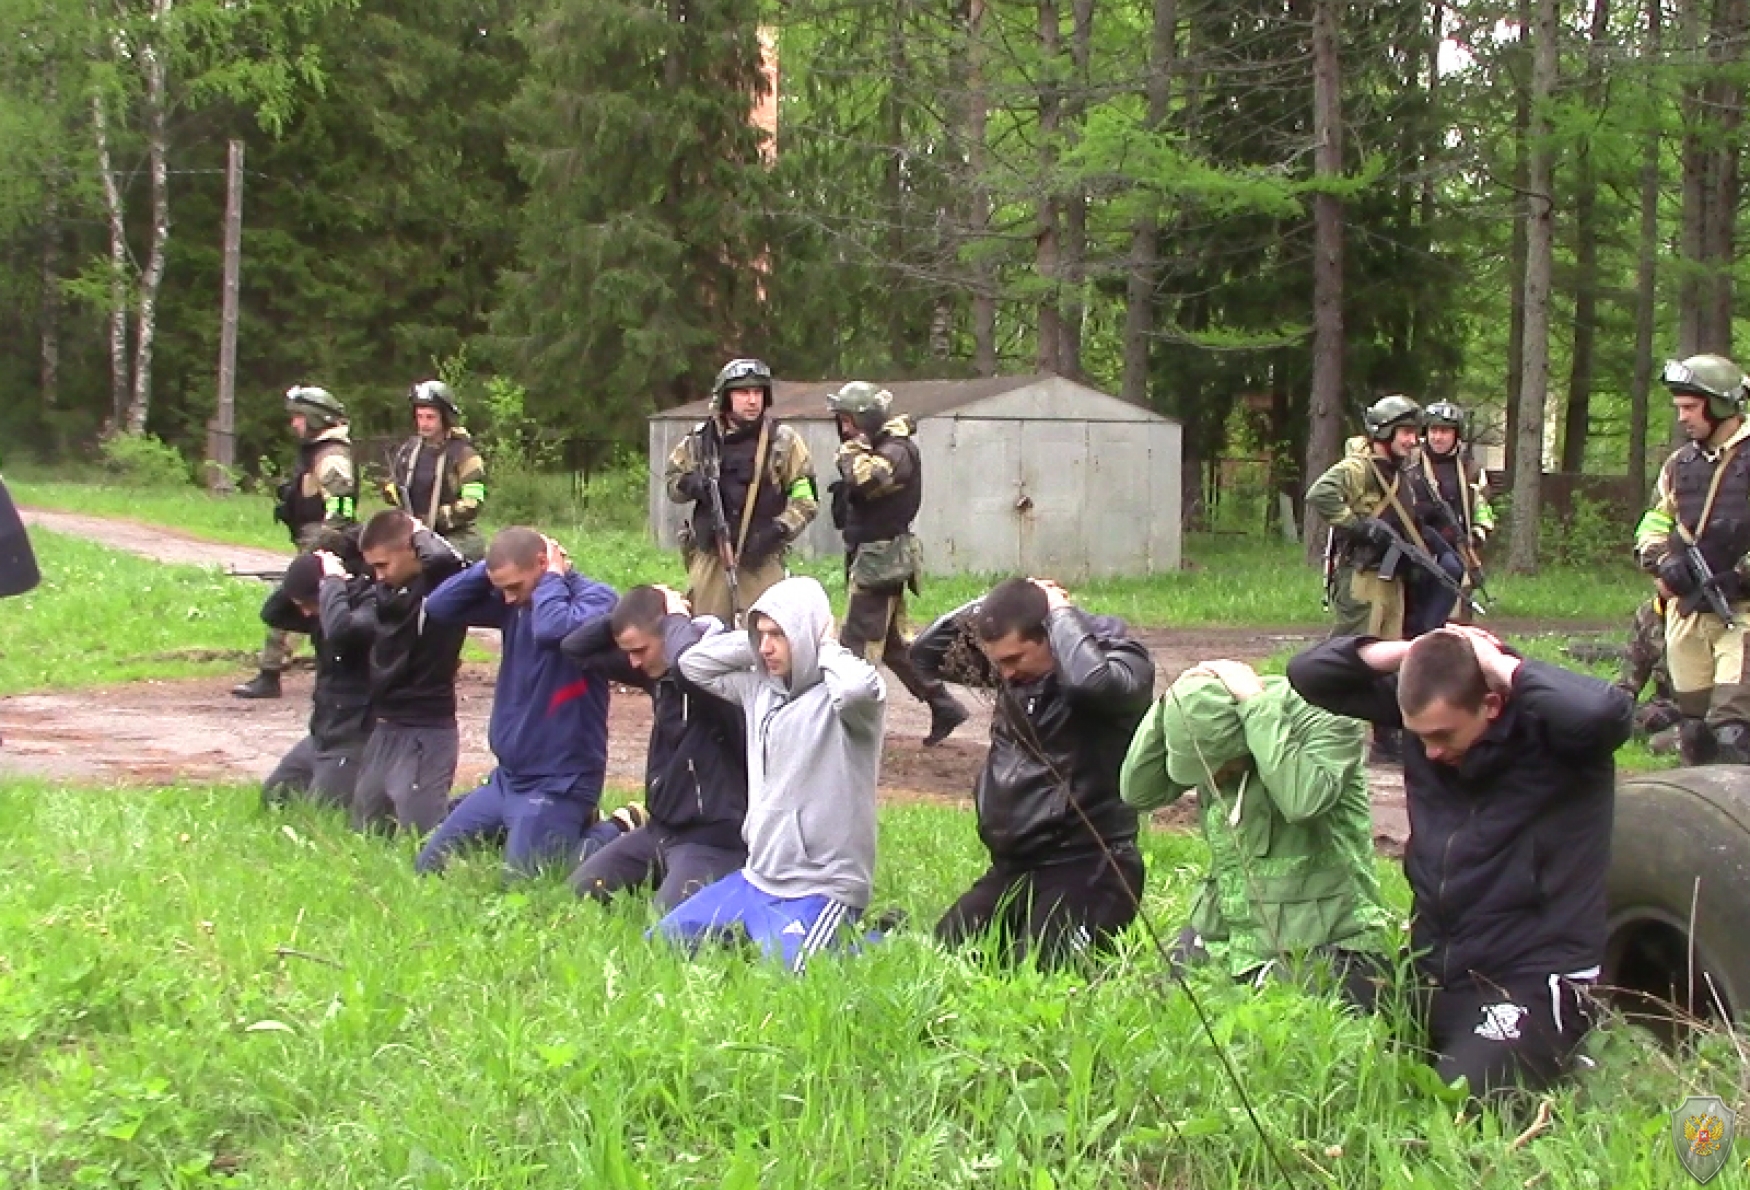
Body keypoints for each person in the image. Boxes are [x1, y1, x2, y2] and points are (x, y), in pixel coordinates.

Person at [1287, 627, 1633, 1102]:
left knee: (1460, 1100)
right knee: (1307, 1046)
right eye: (1419, 737)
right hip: (1433, 967)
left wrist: (1498, 663)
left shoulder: (1559, 736)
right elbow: (1309, 674)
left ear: (1491, 704)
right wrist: (1420, 651)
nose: (1431, 752)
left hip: (1531, 975)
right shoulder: (1437, 713)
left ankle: (1562, 1055)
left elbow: (1604, 712)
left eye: (1442, 736)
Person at [912, 577, 1154, 968]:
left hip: (1092, 865)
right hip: (1017, 866)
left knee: (1042, 972)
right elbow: (926, 652)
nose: (1005, 674)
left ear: (1051, 636)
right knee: (943, 956)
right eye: (998, 663)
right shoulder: (1016, 670)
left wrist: (1059, 611)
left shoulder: (1120, 659)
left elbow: (1092, 684)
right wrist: (1000, 602)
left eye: (1015, 659)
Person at [655, 576, 884, 972]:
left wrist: (825, 645)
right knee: (664, 942)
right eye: (761, 634)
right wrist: (751, 639)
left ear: (807, 633)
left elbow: (857, 691)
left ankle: (880, 940)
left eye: (778, 634)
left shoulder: (848, 706)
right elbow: (692, 665)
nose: (766, 647)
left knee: (789, 973)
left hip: (822, 886)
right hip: (756, 878)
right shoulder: (759, 689)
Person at [1120, 659, 1390, 995]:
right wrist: (1173, 704)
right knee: (1163, 1008)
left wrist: (1257, 709)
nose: (1211, 779)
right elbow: (1138, 792)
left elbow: (1302, 803)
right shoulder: (1212, 738)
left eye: (1218, 767)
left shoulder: (1328, 717)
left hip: (1327, 937)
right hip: (1229, 931)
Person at [414, 527, 625, 876]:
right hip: (508, 779)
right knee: (429, 866)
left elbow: (553, 630)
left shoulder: (597, 598)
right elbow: (439, 606)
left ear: (544, 563)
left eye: (514, 586)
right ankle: (534, 829)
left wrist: (553, 580)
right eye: (502, 589)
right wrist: (489, 567)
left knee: (525, 879)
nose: (509, 598)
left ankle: (613, 830)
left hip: (561, 779)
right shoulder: (515, 604)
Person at [562, 585, 750, 909]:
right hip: (660, 831)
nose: (632, 663)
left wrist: (674, 617)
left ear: (669, 633)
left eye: (640, 650)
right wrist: (633, 614)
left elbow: (687, 667)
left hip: (712, 840)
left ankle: (733, 881)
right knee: (582, 891)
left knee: (666, 924)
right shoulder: (657, 672)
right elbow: (576, 648)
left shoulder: (719, 678)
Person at [826, 381, 968, 748]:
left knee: (855, 646)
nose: (844, 430)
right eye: (840, 422)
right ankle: (942, 704)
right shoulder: (879, 446)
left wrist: (850, 450)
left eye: (848, 421)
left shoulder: (896, 451)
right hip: (871, 556)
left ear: (865, 418)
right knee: (892, 647)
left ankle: (844, 726)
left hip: (881, 562)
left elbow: (865, 478)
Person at [1633, 353, 1750, 764]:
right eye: (1679, 407)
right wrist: (1663, 561)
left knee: (1734, 732)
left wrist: (1742, 574)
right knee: (1695, 732)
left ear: (1720, 405)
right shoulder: (1679, 465)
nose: (1681, 417)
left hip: (1742, 615)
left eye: (1689, 407)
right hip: (1688, 613)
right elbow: (1653, 521)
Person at [664, 358, 818, 624]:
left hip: (761, 564)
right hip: (711, 561)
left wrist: (777, 530)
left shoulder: (783, 441)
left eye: (758, 392)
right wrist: (690, 484)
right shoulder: (701, 441)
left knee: (768, 644)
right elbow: (671, 484)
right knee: (705, 642)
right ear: (726, 397)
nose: (752, 400)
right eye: (743, 393)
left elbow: (806, 499)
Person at [235, 386, 358, 700]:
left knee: (293, 600)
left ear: (315, 418)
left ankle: (271, 673)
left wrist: (321, 543)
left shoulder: (330, 455)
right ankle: (279, 671)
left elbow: (342, 504)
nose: (294, 424)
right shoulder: (317, 451)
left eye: (299, 417)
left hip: (323, 539)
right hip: (314, 537)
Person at [351, 508, 469, 834]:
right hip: (386, 723)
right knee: (366, 828)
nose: (377, 575)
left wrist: (418, 532)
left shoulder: (443, 587)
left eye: (382, 565)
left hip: (427, 726)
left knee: (423, 830)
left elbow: (450, 560)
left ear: (411, 551)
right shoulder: (387, 593)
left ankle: (484, 817)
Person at [1307, 394, 1460, 644]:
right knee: (1353, 653)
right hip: (1364, 578)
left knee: (1388, 659)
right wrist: (1357, 526)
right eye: (1406, 433)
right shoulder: (1360, 467)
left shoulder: (1397, 472)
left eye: (1415, 433)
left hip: (1392, 579)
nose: (1413, 441)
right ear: (1386, 431)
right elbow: (1320, 493)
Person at [259, 551, 377, 809]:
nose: (303, 613)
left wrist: (332, 582)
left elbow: (341, 633)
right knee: (275, 797)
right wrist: (310, 566)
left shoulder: (369, 606)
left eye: (307, 604)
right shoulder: (319, 614)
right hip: (322, 734)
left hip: (355, 736)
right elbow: (272, 613)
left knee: (324, 810)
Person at [386, 380, 488, 563]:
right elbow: (394, 484)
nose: (424, 423)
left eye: (430, 417)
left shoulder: (465, 455)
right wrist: (391, 492)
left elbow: (473, 502)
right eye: (420, 416)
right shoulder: (408, 451)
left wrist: (436, 518)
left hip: (457, 536)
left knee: (436, 561)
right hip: (413, 534)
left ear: (445, 418)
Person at [1417, 400, 1495, 622]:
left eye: (1444, 431)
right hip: (1414, 545)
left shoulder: (1470, 470)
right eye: (1433, 430)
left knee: (1456, 613)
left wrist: (1478, 535)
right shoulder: (1410, 464)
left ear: (1456, 434)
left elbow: (1483, 510)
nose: (1437, 437)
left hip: (1454, 549)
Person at [1614, 593, 1682, 753]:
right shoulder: (1651, 611)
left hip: (1712, 711)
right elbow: (1630, 678)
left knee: (1660, 743)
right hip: (1664, 705)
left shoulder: (1716, 612)